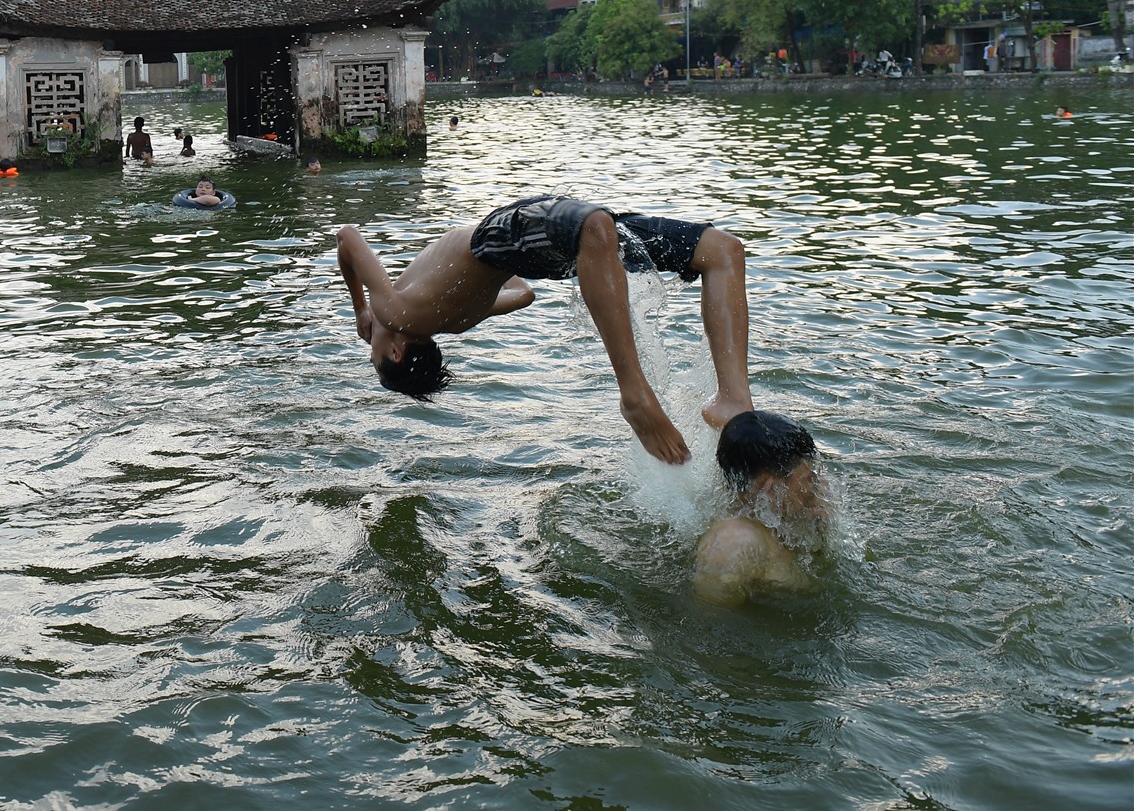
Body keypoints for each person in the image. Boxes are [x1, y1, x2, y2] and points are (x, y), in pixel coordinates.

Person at [336, 194, 756, 465]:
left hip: (531, 250)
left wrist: (490, 272)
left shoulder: (457, 321)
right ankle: (634, 392)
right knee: (597, 226)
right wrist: (362, 310)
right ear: (395, 353)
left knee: (721, 250)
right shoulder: (395, 311)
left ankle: (733, 399)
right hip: (502, 236)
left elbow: (522, 294)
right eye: (372, 358)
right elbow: (349, 237)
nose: (367, 341)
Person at [693, 410, 827, 605]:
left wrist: (821, 532)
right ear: (770, 488)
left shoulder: (768, 522)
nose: (818, 488)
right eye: (809, 479)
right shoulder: (733, 546)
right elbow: (709, 624)